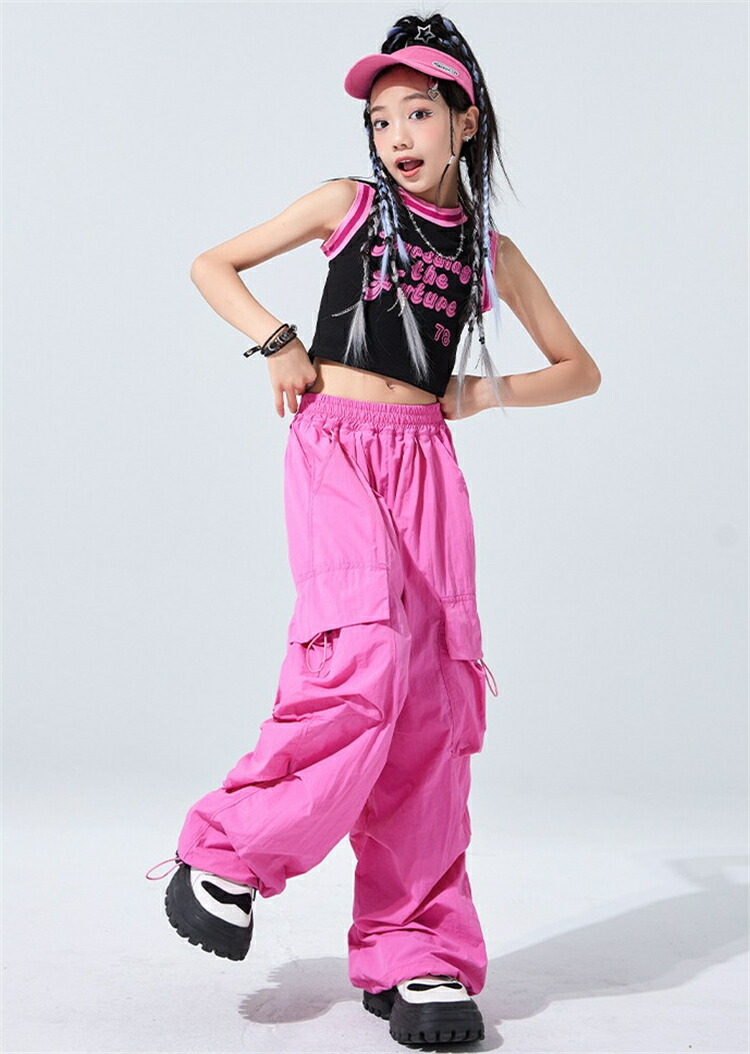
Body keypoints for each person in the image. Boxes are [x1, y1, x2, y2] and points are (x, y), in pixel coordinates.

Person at [146, 10, 601, 1047]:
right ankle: (227, 852)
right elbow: (212, 264)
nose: (398, 134)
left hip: (425, 463)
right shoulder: (347, 206)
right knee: (363, 654)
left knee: (435, 699)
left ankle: (416, 948)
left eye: (419, 113)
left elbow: (580, 369)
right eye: (382, 118)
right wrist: (276, 340)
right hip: (337, 447)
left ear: (464, 122)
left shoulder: (488, 250)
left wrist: (480, 394)